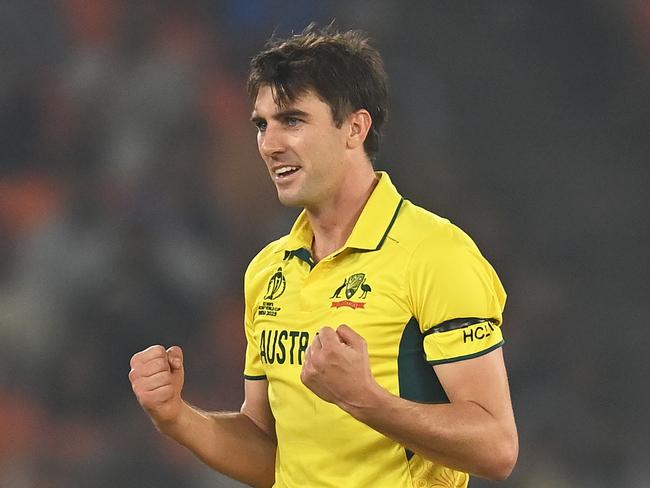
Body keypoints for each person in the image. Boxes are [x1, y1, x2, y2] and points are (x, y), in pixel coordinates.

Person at [129, 25, 518, 488]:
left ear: (355, 127)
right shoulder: (268, 270)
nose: (270, 144)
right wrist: (176, 417)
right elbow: (270, 454)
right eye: (262, 124)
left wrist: (366, 399)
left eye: (292, 120)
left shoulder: (435, 255)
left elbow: (497, 448)